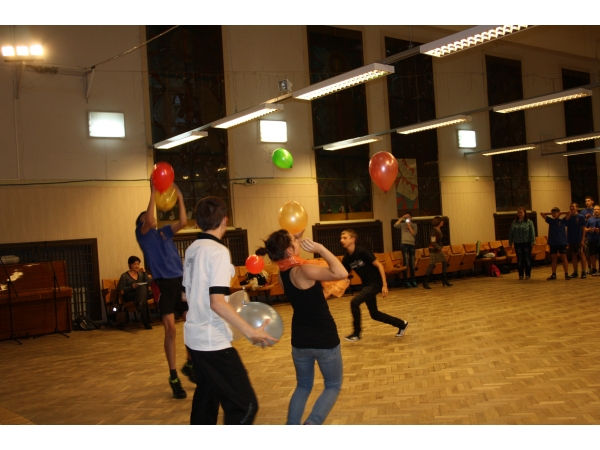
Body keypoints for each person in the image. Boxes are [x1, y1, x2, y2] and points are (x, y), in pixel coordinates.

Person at [183, 196, 276, 425]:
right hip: (212, 341)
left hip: (194, 338)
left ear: (197, 222)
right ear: (225, 220)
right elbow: (216, 302)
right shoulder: (218, 251)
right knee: (245, 406)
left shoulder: (192, 249)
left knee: (206, 401)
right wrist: (251, 331)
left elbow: (185, 295)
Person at [256, 229, 347, 425]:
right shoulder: (304, 270)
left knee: (303, 386)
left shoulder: (282, 274)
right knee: (333, 385)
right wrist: (320, 249)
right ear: (289, 250)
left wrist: (292, 239)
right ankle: (311, 424)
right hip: (324, 336)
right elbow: (341, 273)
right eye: (294, 241)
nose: (298, 241)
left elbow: (308, 297)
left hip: (300, 339)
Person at [135, 181, 191, 399]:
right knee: (171, 330)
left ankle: (190, 363)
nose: (150, 218)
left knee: (191, 322)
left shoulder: (164, 232)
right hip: (162, 284)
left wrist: (180, 197)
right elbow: (149, 219)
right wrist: (153, 192)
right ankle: (173, 376)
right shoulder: (142, 234)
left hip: (180, 281)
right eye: (145, 217)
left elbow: (184, 222)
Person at [340, 229, 408, 342]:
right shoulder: (347, 258)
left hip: (375, 283)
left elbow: (379, 266)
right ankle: (402, 324)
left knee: (354, 302)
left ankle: (356, 333)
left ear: (352, 239)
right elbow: (343, 273)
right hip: (366, 285)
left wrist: (384, 285)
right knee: (374, 314)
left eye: (344, 238)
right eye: (341, 238)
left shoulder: (362, 252)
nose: (341, 240)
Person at [117, 256, 153, 329]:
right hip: (130, 295)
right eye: (134, 264)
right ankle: (146, 322)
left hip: (140, 295)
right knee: (143, 296)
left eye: (138, 264)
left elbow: (148, 283)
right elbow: (121, 289)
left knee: (143, 290)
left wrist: (144, 273)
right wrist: (131, 287)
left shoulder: (141, 274)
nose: (137, 266)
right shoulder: (124, 276)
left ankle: (140, 305)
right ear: (129, 265)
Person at [540, 208, 571, 280]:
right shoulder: (551, 221)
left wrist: (560, 213)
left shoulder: (563, 220)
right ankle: (553, 274)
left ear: (558, 213)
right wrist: (551, 213)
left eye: (555, 213)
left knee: (563, 258)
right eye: (552, 213)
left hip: (561, 242)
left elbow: (569, 212)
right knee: (554, 258)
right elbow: (541, 213)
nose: (553, 215)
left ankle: (566, 274)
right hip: (553, 242)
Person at [423, 216, 452, 289]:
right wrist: (441, 248)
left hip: (438, 249)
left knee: (444, 262)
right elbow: (433, 242)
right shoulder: (433, 230)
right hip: (433, 250)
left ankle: (444, 280)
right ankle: (425, 282)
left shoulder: (438, 229)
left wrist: (442, 247)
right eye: (442, 221)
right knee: (431, 264)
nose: (443, 222)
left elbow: (439, 241)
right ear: (439, 222)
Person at [508, 207, 536, 280]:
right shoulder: (514, 222)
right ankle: (520, 274)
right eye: (518, 212)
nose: (520, 214)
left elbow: (532, 232)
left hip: (527, 243)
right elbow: (511, 232)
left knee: (527, 258)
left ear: (524, 213)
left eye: (521, 212)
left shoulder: (529, 222)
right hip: (517, 243)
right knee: (519, 259)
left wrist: (533, 242)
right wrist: (510, 241)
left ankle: (528, 274)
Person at [394, 213, 417, 287]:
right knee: (406, 262)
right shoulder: (402, 225)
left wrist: (409, 225)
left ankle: (413, 280)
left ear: (411, 217)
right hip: (404, 244)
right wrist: (402, 217)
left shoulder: (414, 225)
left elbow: (413, 233)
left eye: (409, 217)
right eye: (406, 217)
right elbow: (395, 225)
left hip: (412, 244)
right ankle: (406, 281)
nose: (407, 218)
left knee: (412, 263)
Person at [565, 203, 587, 279]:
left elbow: (583, 229)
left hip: (579, 239)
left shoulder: (581, 217)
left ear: (577, 208)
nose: (572, 208)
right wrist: (567, 239)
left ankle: (583, 271)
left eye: (573, 207)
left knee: (581, 254)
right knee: (573, 255)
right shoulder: (569, 217)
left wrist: (583, 239)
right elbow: (567, 228)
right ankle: (575, 272)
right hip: (571, 239)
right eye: (570, 207)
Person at [584, 205, 600, 276]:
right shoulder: (590, 219)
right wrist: (589, 230)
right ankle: (594, 269)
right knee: (592, 255)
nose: (596, 211)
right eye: (595, 209)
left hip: (598, 239)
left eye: (598, 209)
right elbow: (585, 228)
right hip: (591, 239)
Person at [581, 197, 595, 275]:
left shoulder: (595, 210)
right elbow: (582, 223)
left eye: (589, 201)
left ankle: (595, 267)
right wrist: (586, 218)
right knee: (587, 252)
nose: (587, 202)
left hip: (596, 234)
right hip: (587, 234)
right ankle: (589, 267)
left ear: (592, 201)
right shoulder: (583, 212)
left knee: (595, 253)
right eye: (586, 201)